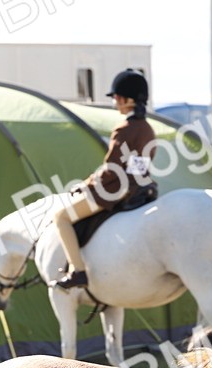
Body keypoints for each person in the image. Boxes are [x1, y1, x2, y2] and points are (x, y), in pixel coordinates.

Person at [53, 69, 156, 289]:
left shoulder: (124, 129)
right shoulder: (147, 129)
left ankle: (78, 271)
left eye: (117, 98)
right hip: (142, 187)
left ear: (128, 100)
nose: (115, 102)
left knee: (61, 217)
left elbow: (111, 170)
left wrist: (86, 184)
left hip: (116, 189)